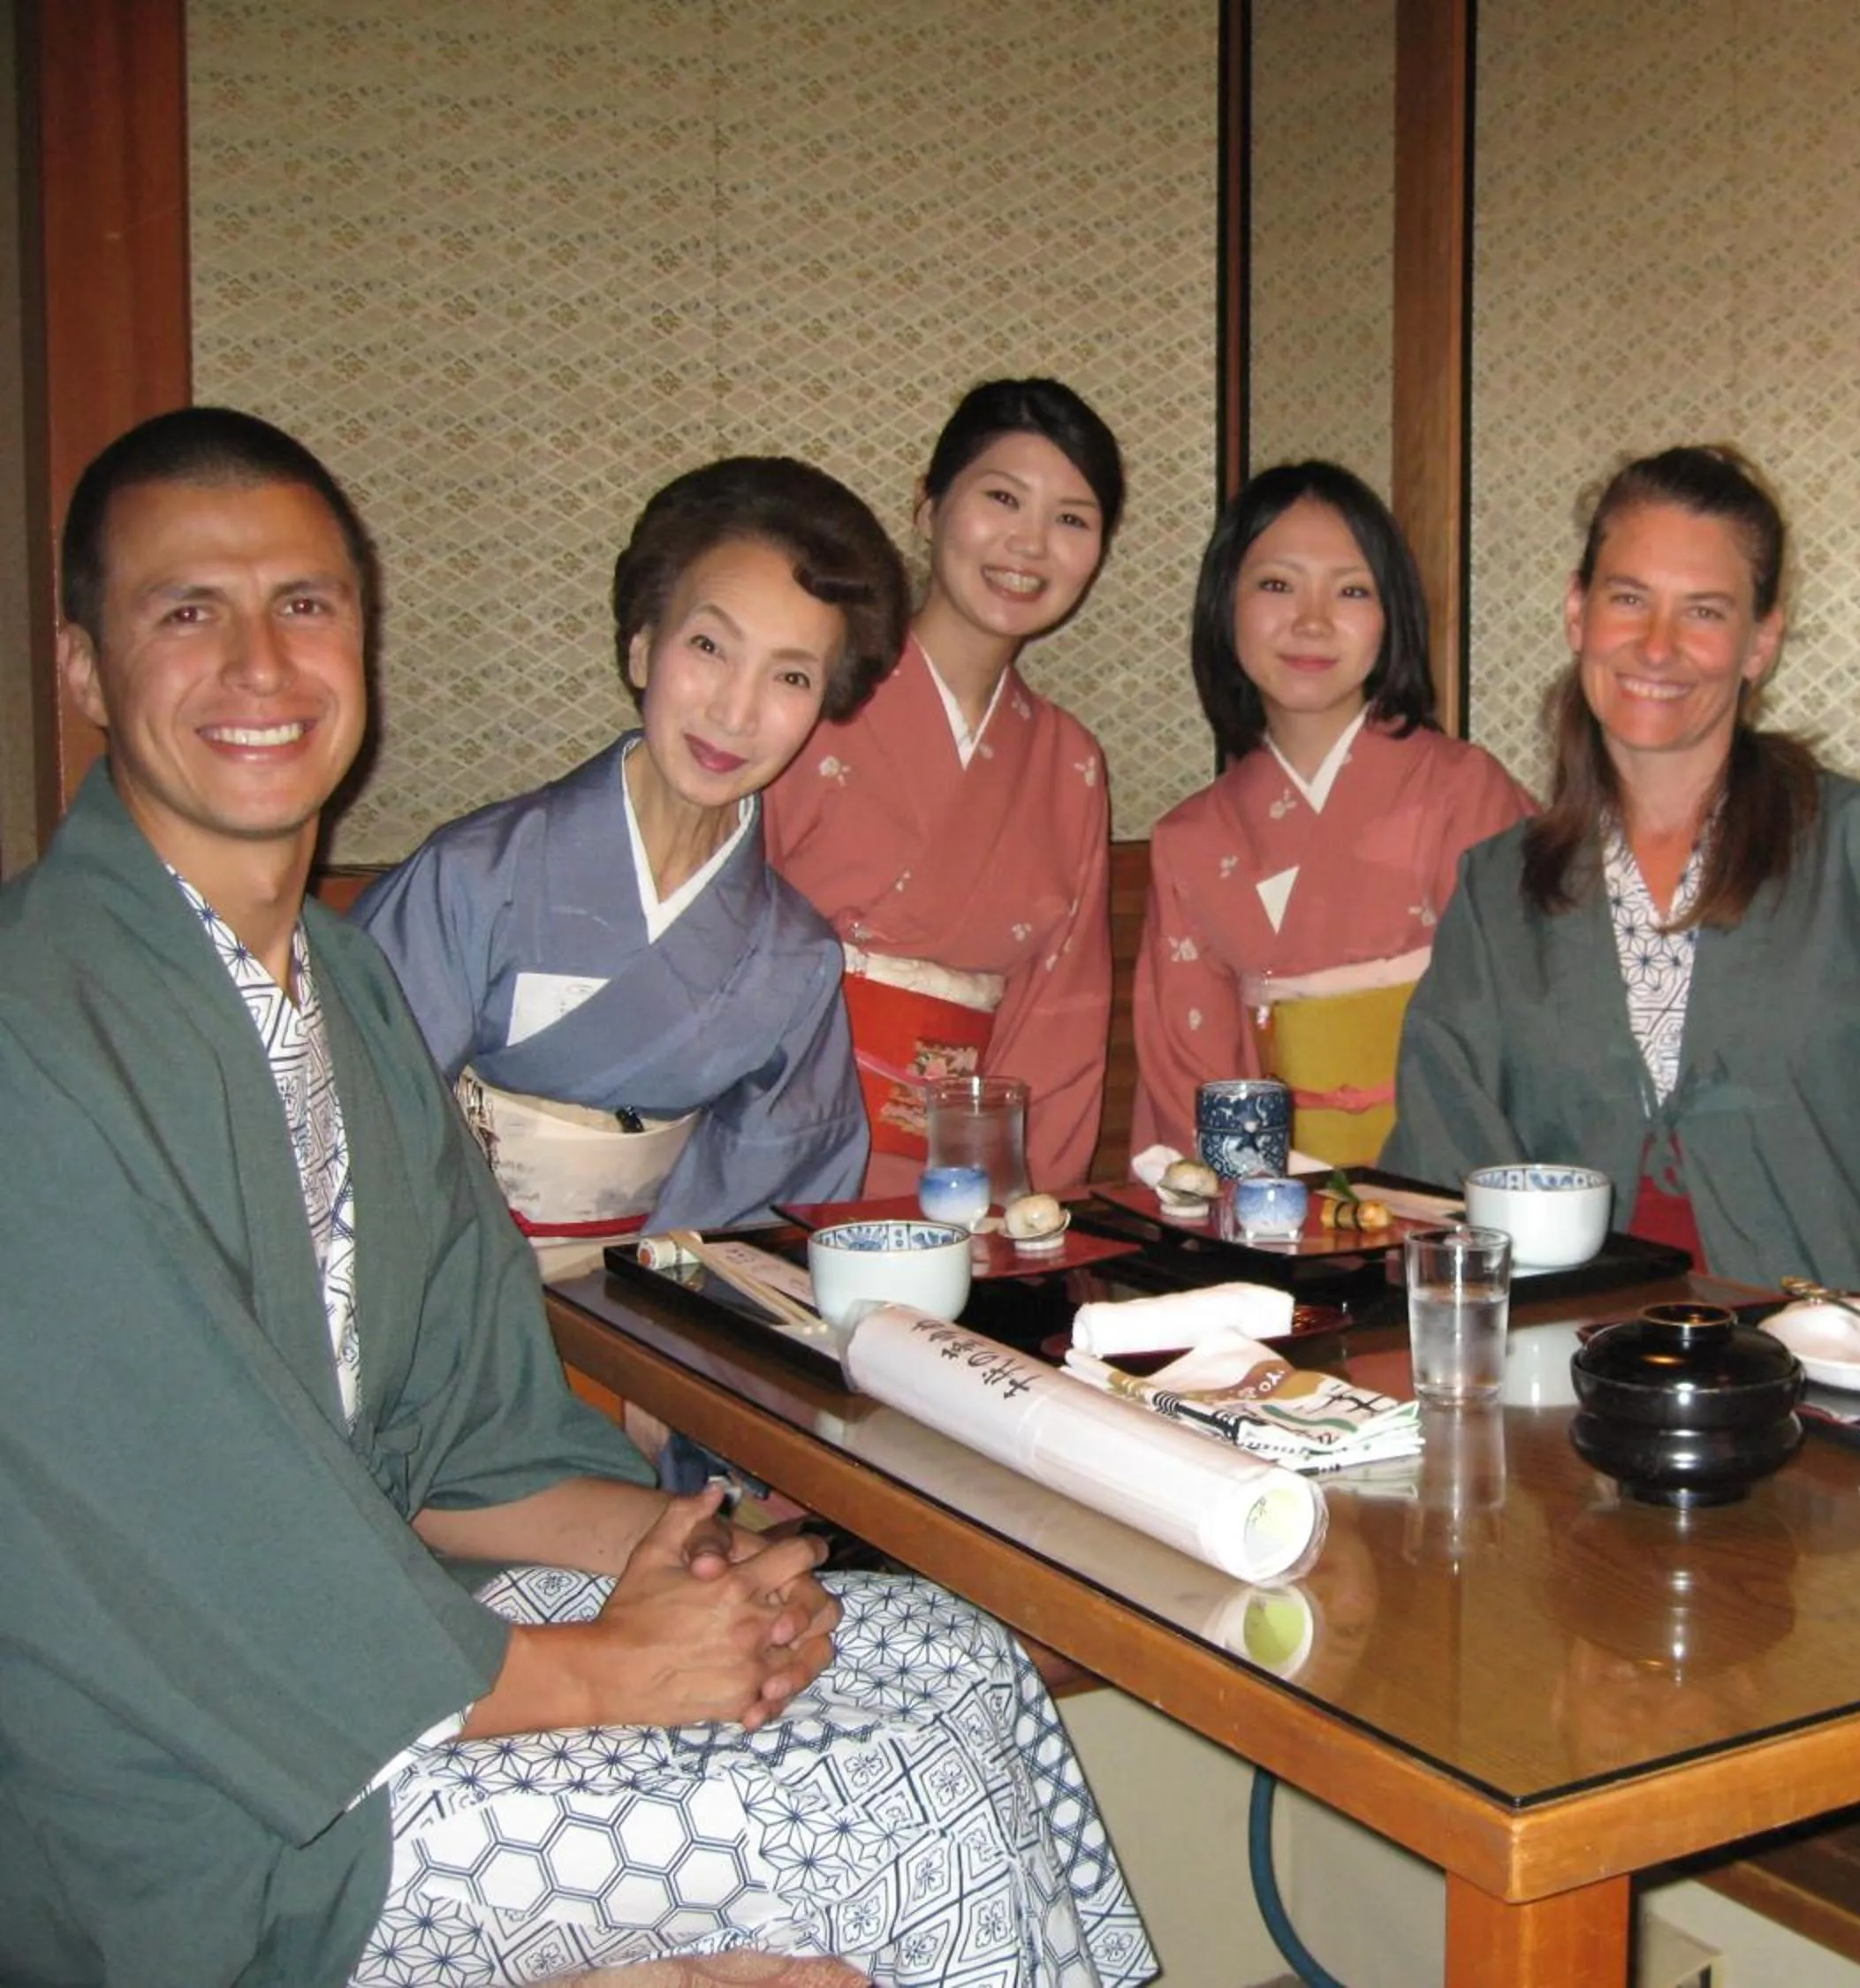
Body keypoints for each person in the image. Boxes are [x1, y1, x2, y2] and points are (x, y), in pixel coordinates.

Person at [0, 406, 1152, 1986]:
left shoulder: (329, 983)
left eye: (308, 607)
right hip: (223, 1787)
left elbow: (452, 1420)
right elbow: (192, 1549)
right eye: (189, 610)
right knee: (896, 1801)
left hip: (408, 1580)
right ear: (81, 668)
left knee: (955, 1665)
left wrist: (689, 1549)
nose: (262, 667)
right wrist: (605, 1668)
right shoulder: (40, 1029)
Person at [1380, 444, 1860, 1291]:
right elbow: (1438, 1165)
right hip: (1572, 1367)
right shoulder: (1500, 892)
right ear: (1577, 612)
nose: (1657, 646)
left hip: (1827, 1369)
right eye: (1628, 599)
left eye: (1704, 612)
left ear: (1761, 642)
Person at [353, 458, 903, 1254]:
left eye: (790, 676)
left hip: (655, 1330)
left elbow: (768, 1220)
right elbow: (357, 1137)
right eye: (710, 645)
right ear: (644, 647)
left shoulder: (794, 959)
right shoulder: (474, 880)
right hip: (441, 1308)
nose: (735, 711)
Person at [765, 379, 1121, 1198]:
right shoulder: (812, 693)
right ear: (927, 508)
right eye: (1003, 498)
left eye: (1071, 519)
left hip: (958, 1190)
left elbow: (1059, 1022)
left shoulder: (1069, 762)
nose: (1030, 545)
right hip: (778, 1156)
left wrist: (1019, 1211)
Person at [1133, 460, 1532, 1165]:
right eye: (1277, 585)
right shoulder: (1191, 840)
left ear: (1391, 616)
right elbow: (1188, 1072)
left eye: (1351, 590)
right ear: (1225, 604)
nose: (1312, 621)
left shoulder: (1465, 792)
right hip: (1271, 1210)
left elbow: (1523, 1031)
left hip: (1452, 1186)